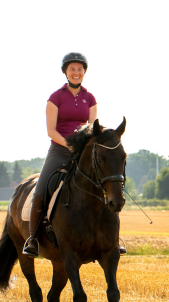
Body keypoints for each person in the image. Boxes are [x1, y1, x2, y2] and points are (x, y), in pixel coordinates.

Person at [23, 52, 126, 258]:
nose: (76, 72)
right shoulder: (55, 97)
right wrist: (70, 146)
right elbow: (51, 131)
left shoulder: (90, 98)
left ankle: (114, 238)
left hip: (83, 153)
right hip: (59, 151)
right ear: (65, 72)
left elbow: (91, 128)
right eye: (72, 69)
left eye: (80, 69)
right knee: (41, 191)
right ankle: (33, 239)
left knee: (106, 184)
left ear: (84, 72)